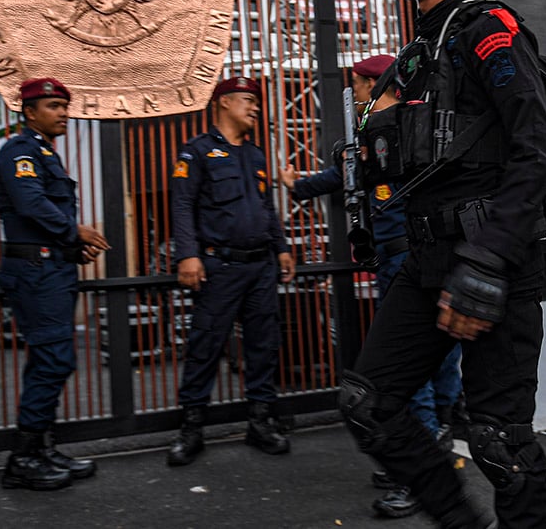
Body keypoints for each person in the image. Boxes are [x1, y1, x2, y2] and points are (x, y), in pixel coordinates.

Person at [338, 0, 546, 528]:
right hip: (427, 258)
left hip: (494, 259)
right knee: (367, 402)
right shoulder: (416, 53)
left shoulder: (489, 29)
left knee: (499, 440)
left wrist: (489, 261)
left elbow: (534, 149)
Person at [280, 54, 463, 519]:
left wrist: (302, 185)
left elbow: (354, 173)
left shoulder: (385, 128)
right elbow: (352, 174)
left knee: (406, 370)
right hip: (417, 255)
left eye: (358, 86)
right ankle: (432, 442)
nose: (356, 93)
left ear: (369, 85)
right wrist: (303, 186)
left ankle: (416, 471)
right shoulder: (401, 127)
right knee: (437, 359)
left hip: (405, 258)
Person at [167, 76, 296, 467]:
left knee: (262, 344)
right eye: (246, 100)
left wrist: (283, 247)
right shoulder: (197, 152)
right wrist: (187, 255)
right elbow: (182, 206)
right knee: (206, 345)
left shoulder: (255, 156)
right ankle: (191, 427)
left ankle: (260, 421)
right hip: (219, 265)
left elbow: (266, 207)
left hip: (260, 265)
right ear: (223, 103)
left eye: (256, 102)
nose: (255, 107)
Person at [0, 77, 110, 491]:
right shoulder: (20, 152)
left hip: (51, 268)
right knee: (54, 360)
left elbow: (42, 217)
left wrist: (70, 248)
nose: (63, 112)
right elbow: (30, 204)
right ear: (29, 111)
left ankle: (40, 448)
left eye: (65, 105)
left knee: (49, 361)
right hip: (35, 272)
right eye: (54, 105)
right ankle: (22, 459)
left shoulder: (45, 154)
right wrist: (74, 232)